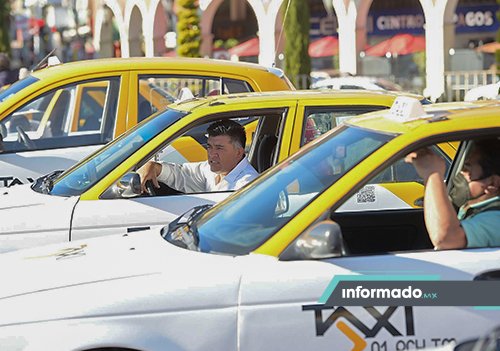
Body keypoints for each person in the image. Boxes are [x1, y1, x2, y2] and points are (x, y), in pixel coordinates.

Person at [405, 138, 500, 250]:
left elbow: (445, 239)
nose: (460, 173)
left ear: (492, 183)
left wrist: (432, 173)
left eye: (467, 169)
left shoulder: (495, 219)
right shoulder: (472, 208)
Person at [138, 119, 259, 193]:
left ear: (238, 152)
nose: (212, 153)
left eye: (219, 148)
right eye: (209, 147)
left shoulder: (247, 185)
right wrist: (154, 168)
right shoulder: (212, 170)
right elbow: (182, 175)